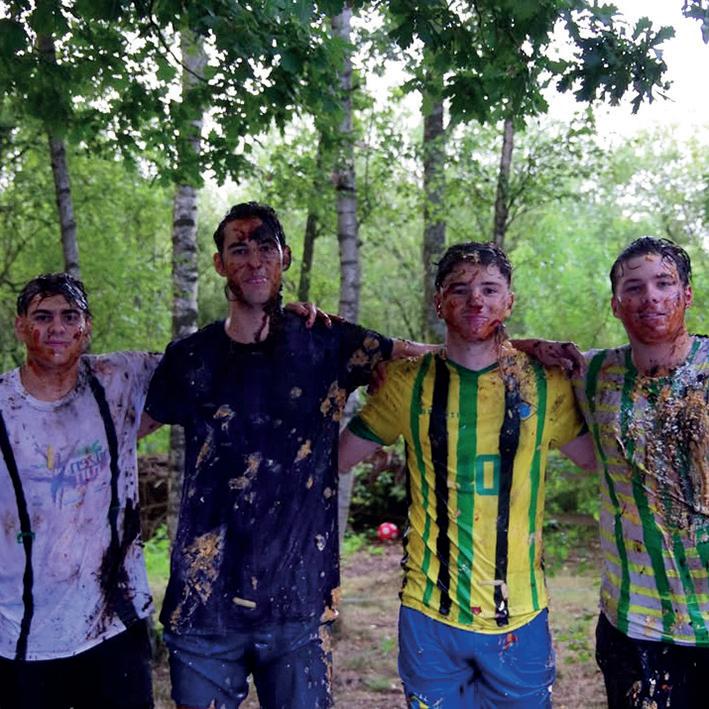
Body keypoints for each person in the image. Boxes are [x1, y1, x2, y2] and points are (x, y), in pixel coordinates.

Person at [141, 201, 430, 709]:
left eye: (266, 248)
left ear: (286, 257)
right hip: (203, 605)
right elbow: (118, 434)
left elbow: (441, 358)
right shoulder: (190, 358)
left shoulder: (327, 342)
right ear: (219, 264)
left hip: (300, 603)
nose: (254, 260)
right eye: (239, 249)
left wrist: (518, 348)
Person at [338, 242, 594, 708]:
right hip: (429, 615)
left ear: (509, 302)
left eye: (490, 289)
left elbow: (597, 460)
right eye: (460, 289)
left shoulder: (544, 382)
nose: (476, 300)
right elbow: (335, 459)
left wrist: (588, 377)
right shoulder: (406, 382)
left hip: (520, 614)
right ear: (439, 301)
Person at [0, 273, 157, 709]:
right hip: (22, 636)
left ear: (86, 327)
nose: (57, 328)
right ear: (20, 326)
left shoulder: (120, 378)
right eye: (42, 317)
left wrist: (287, 319)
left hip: (115, 625)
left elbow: (212, 360)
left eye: (70, 316)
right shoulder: (4, 406)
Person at [571, 237, 709, 707]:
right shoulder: (591, 374)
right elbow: (485, 356)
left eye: (664, 283)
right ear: (616, 305)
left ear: (687, 294)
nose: (650, 297)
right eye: (634, 287)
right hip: (636, 626)